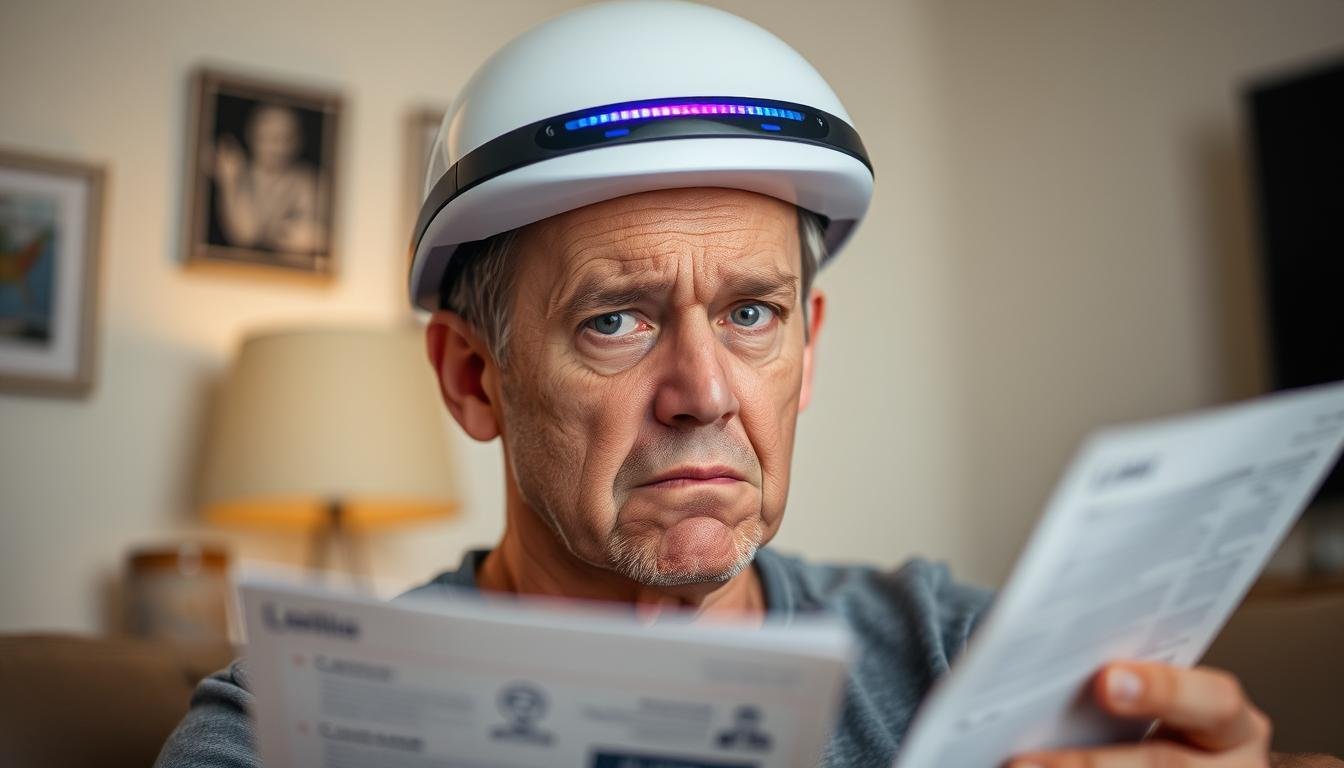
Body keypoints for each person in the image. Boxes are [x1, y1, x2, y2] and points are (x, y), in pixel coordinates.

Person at [158, 3, 1341, 767]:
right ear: (474, 379)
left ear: (808, 350)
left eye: (751, 314)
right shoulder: (296, 719)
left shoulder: (967, 653)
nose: (704, 391)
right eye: (614, 319)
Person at [211, 103, 324, 255]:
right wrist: (230, 183)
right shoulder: (238, 171)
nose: (277, 146)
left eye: (286, 137)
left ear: (298, 141)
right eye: (268, 137)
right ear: (251, 135)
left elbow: (306, 231)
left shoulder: (305, 178)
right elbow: (245, 235)